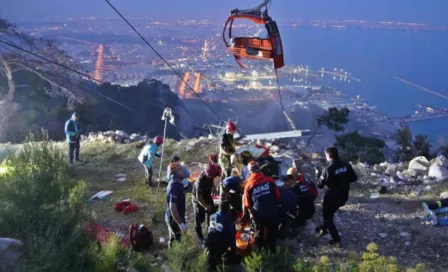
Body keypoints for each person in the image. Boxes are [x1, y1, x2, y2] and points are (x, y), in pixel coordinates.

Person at [315, 147, 357, 245]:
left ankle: (336, 239)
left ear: (329, 156)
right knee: (330, 214)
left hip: (331, 197)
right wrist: (342, 180)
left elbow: (319, 185)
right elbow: (353, 178)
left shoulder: (328, 169)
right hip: (344, 196)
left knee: (327, 217)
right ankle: (324, 227)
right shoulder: (347, 165)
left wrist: (318, 175)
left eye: (326, 156)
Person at [243, 161, 280, 252]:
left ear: (249, 172)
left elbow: (247, 204)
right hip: (272, 212)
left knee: (259, 233)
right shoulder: (270, 180)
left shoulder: (248, 185)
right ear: (259, 169)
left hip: (258, 214)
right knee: (272, 234)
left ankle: (259, 252)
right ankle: (272, 252)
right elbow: (278, 196)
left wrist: (250, 215)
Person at [192, 163, 222, 241]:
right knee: (199, 218)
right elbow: (199, 197)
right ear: (209, 175)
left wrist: (214, 187)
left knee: (212, 211)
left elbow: (212, 180)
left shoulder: (211, 174)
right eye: (214, 176)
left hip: (206, 195)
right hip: (198, 198)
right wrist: (205, 206)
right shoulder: (200, 181)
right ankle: (200, 237)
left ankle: (211, 230)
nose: (215, 177)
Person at [204, 200, 237, 271]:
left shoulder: (212, 215)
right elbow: (231, 236)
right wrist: (233, 250)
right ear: (228, 209)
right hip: (219, 245)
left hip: (208, 242)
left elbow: (209, 229)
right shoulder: (228, 219)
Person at [165, 163, 188, 247]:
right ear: (175, 173)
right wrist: (180, 223)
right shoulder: (174, 187)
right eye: (181, 170)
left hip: (177, 216)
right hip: (174, 220)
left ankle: (171, 248)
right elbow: (172, 208)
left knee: (173, 237)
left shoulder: (179, 183)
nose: (184, 171)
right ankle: (177, 258)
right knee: (178, 241)